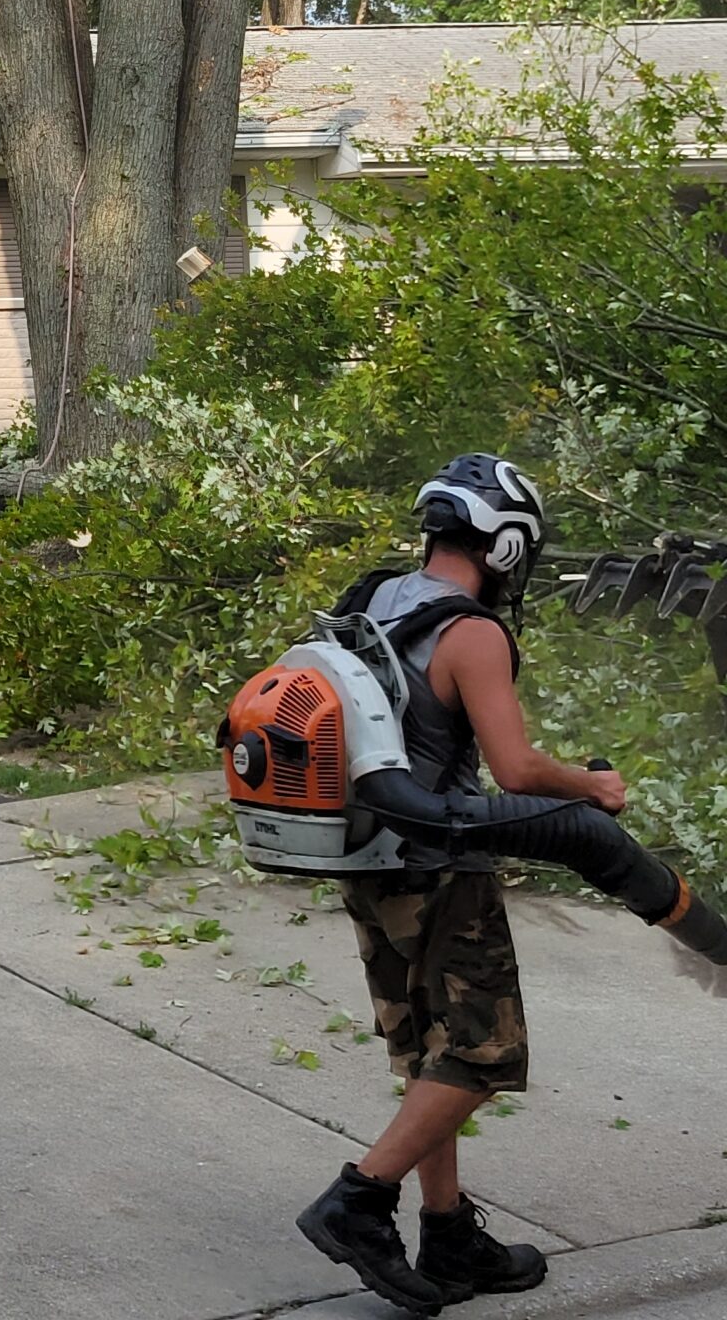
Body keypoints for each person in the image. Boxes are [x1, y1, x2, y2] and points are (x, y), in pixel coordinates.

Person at [295, 453, 628, 1313]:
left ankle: (448, 1236)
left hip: (366, 858)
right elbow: (513, 767)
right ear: (508, 543)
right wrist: (590, 789)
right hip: (443, 864)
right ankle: (359, 1202)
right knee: (484, 1051)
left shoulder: (373, 599)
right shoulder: (473, 632)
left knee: (428, 1049)